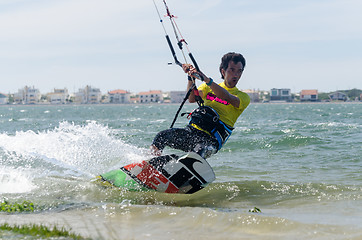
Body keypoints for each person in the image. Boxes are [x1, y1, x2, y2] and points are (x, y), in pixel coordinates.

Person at [150, 52, 250, 158]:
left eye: (240, 71)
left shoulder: (243, 97)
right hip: (192, 132)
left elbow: (227, 97)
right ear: (223, 71)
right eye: (232, 70)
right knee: (161, 136)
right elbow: (192, 98)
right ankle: (153, 164)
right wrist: (191, 77)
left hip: (210, 141)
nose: (236, 75)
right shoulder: (208, 87)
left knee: (199, 151)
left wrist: (207, 80)